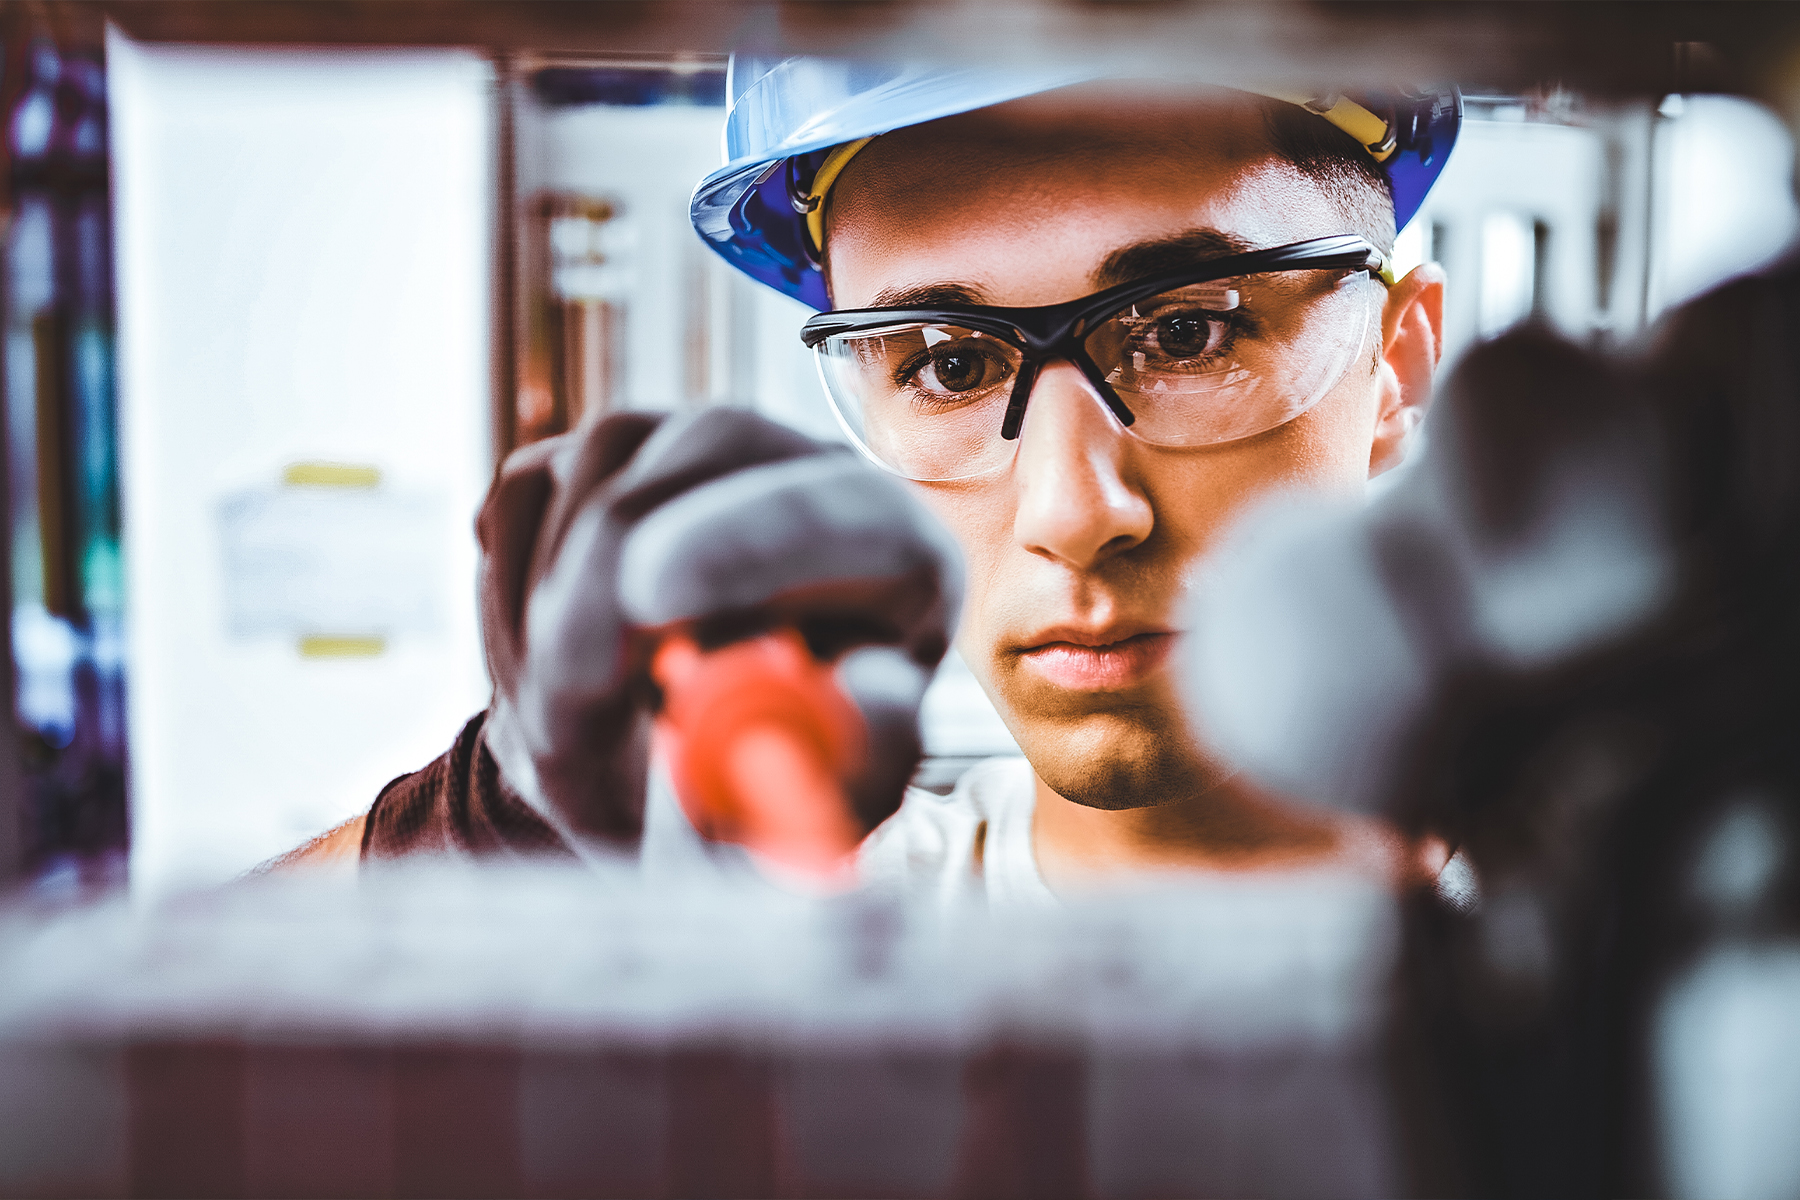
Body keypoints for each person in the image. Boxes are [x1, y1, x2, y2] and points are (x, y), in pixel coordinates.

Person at [272, 62, 1456, 904]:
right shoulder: (807, 957)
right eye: (949, 362)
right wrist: (486, 838)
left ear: (1396, 368)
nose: (1074, 512)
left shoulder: (1603, 952)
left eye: (1189, 334)